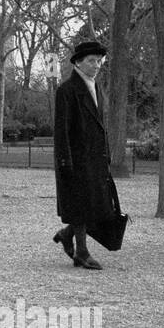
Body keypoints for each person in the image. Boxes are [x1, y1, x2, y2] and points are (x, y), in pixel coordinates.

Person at [52, 40, 120, 270]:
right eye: (92, 61)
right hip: (77, 158)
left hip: (96, 157)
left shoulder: (97, 88)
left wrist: (107, 153)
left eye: (99, 61)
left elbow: (101, 125)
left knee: (99, 205)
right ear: (78, 63)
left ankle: (66, 234)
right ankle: (81, 252)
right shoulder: (66, 90)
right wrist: (64, 160)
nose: (97, 65)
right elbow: (61, 131)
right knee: (81, 205)